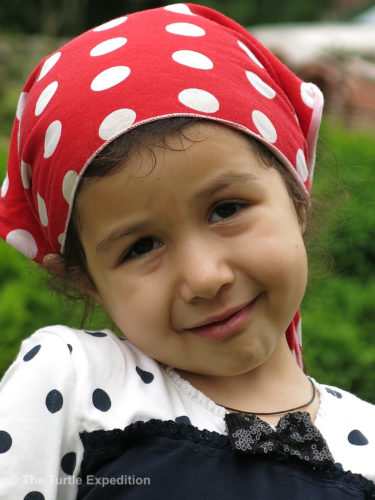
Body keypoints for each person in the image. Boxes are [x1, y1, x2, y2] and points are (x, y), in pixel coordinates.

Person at [0, 3, 374, 499]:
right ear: (87, 279)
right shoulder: (77, 384)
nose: (204, 277)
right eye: (142, 246)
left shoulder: (366, 446)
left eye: (226, 209)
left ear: (296, 197)